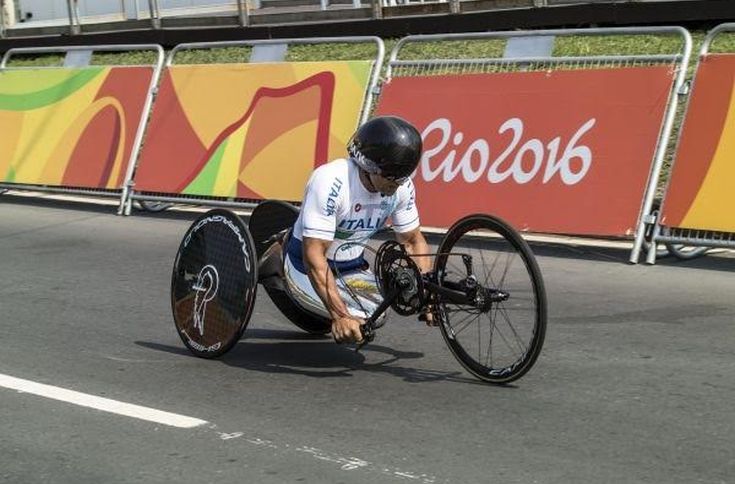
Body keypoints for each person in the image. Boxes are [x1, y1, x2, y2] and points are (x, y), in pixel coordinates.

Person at [283, 115, 432, 344]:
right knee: (357, 319)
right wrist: (340, 315)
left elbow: (412, 241)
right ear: (369, 165)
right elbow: (314, 256)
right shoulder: (331, 180)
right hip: (304, 266)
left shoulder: (401, 187)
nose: (397, 183)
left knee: (381, 311)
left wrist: (426, 294)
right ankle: (276, 257)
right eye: (391, 176)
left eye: (403, 176)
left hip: (352, 269)